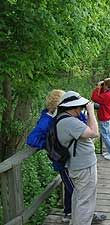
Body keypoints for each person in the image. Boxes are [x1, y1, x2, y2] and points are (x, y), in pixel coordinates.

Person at [56, 91, 106, 225]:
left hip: (78, 165)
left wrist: (88, 112)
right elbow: (94, 132)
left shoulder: (63, 119)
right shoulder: (69, 122)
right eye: (79, 106)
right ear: (72, 107)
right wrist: (90, 111)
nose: (81, 108)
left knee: (79, 198)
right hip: (83, 167)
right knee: (86, 202)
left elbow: (88, 130)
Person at [26, 89, 74, 222]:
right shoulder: (46, 120)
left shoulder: (57, 116)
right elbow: (32, 139)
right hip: (61, 160)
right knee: (73, 188)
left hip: (67, 158)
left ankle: (68, 213)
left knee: (70, 186)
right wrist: (49, 144)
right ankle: (79, 214)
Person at [91, 78, 110, 160]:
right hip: (108, 116)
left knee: (105, 135)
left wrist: (98, 88)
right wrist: (102, 87)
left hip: (104, 117)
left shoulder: (107, 95)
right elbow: (101, 96)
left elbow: (94, 98)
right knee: (108, 133)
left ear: (106, 86)